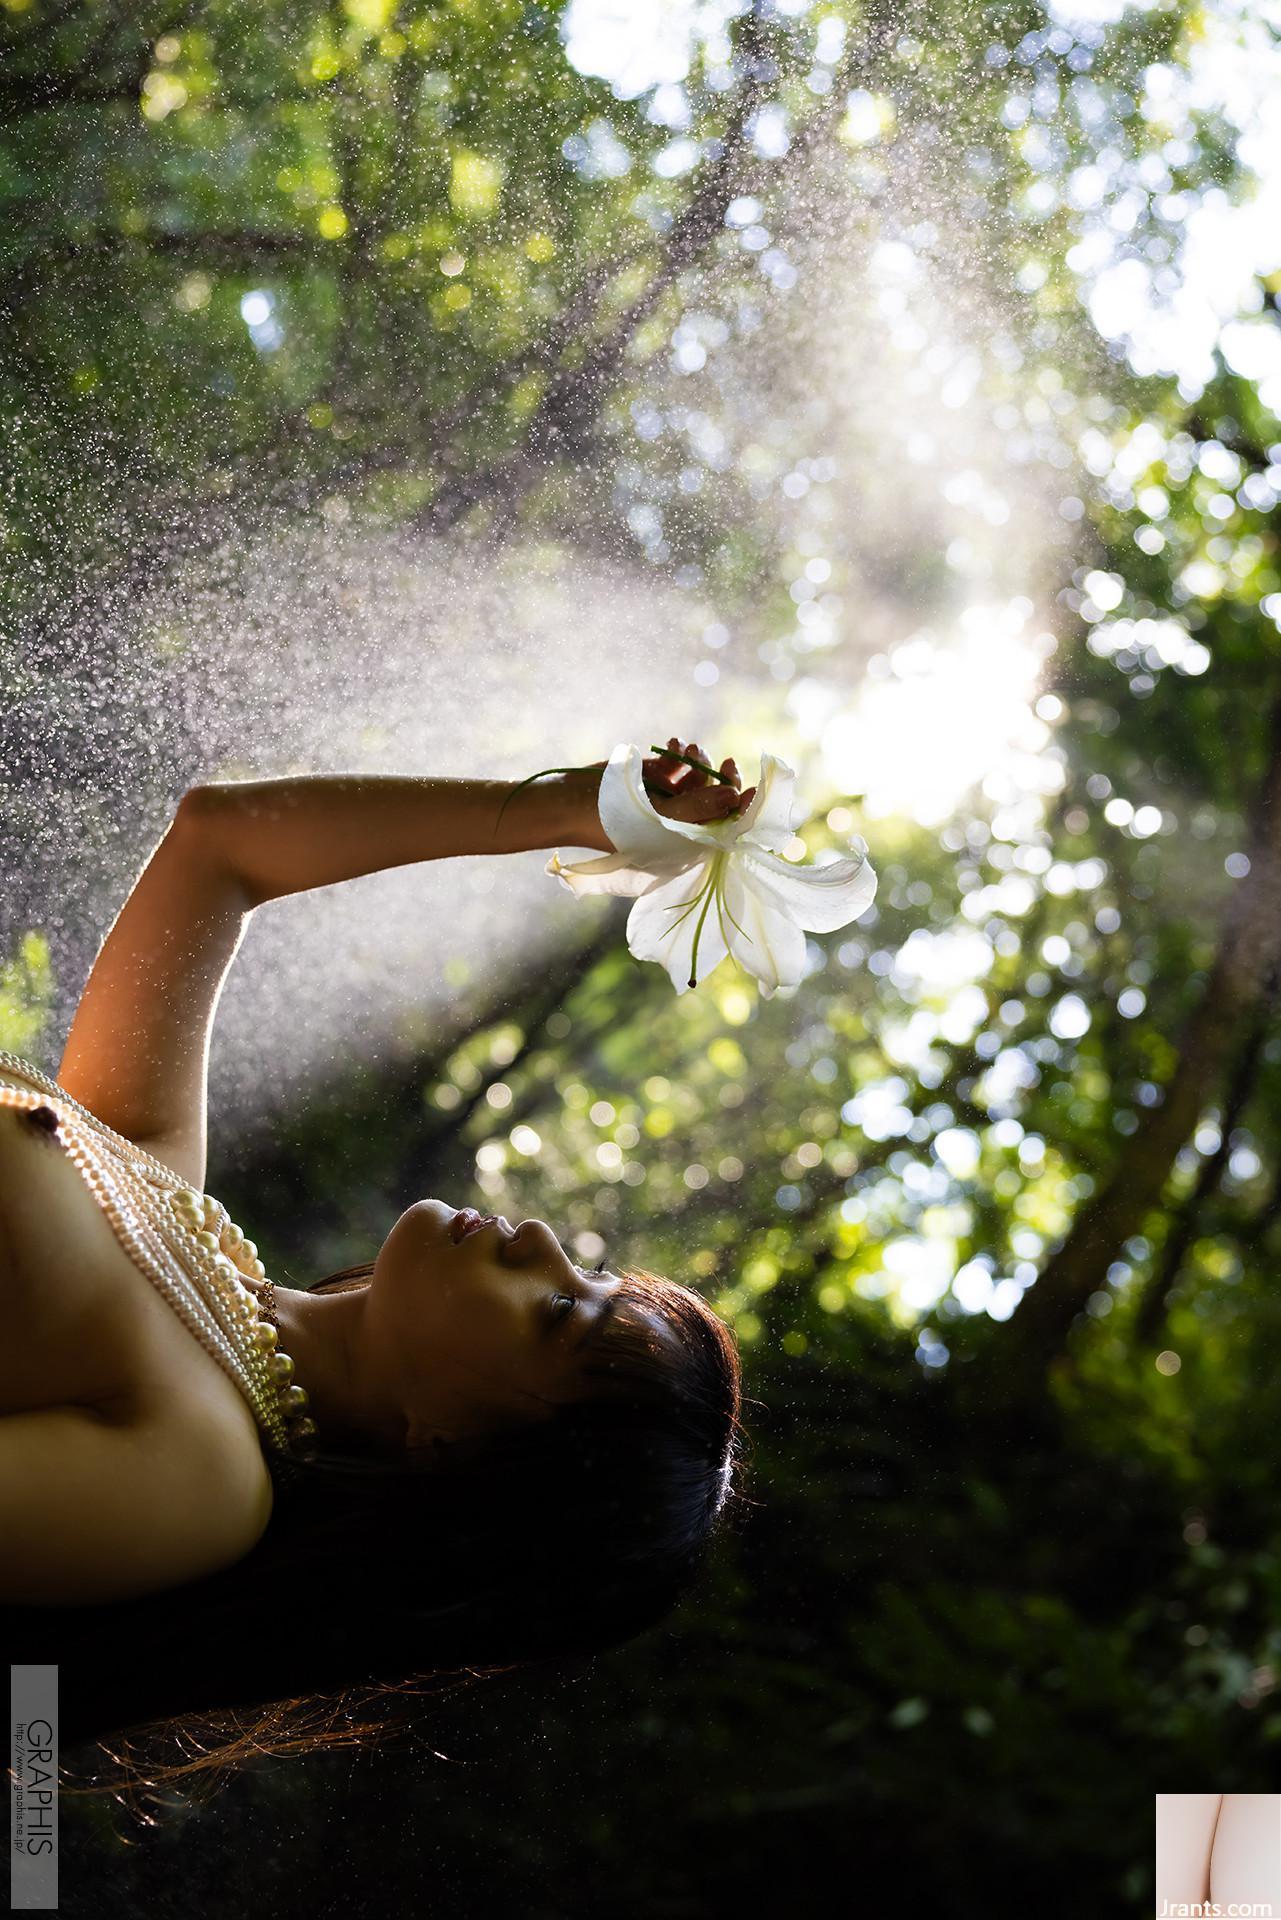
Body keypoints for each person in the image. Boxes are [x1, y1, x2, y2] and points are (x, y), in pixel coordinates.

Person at [0, 739, 753, 1808]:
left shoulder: (202, 1475)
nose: (539, 1239)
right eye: (587, 1268)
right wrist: (583, 813)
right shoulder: (159, 1176)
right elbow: (220, 844)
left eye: (553, 1315)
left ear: (453, 1453)